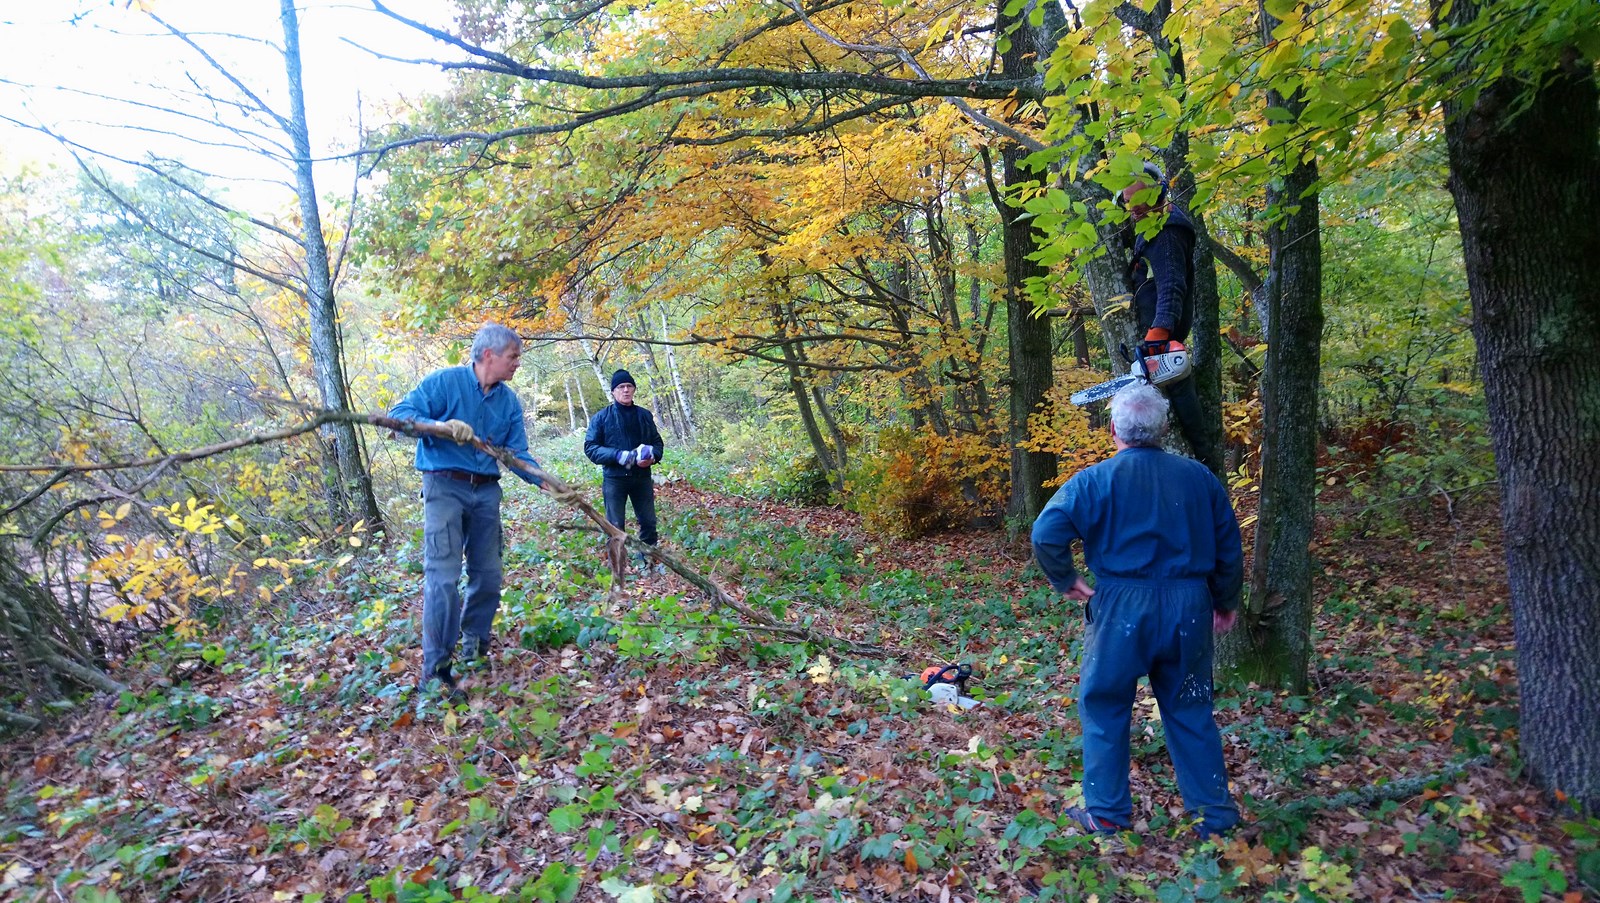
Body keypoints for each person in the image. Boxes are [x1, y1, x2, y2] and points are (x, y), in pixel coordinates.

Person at [1031, 382, 1244, 839]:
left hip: (1121, 609)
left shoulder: (1093, 481)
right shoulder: (1199, 478)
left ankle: (1107, 813)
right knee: (1190, 709)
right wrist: (1224, 601)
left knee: (1105, 704)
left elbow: (1046, 532)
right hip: (1189, 607)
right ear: (1164, 427)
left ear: (1113, 429)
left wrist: (1066, 580)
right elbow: (1229, 543)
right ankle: (1215, 820)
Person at [389, 323, 544, 700]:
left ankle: (474, 640)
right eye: (513, 357)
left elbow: (517, 454)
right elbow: (399, 418)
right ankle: (436, 669)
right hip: (444, 487)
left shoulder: (508, 402)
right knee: (443, 579)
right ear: (489, 355)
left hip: (486, 493)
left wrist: (546, 481)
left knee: (488, 575)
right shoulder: (444, 383)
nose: (517, 364)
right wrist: (441, 427)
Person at [1122, 163, 1221, 474]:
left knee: (1176, 384)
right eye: (1129, 207)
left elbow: (1172, 285)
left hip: (1163, 326)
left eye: (1140, 207)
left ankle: (1202, 456)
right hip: (1155, 320)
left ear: (1159, 197)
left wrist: (1159, 332)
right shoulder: (1151, 223)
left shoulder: (1166, 234)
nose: (1134, 213)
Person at [584, 369, 665, 561]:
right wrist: (618, 455)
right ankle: (618, 564)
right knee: (614, 524)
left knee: (648, 522)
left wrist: (652, 457)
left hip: (641, 478)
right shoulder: (602, 418)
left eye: (629, 386)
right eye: (621, 387)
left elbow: (657, 443)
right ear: (613, 391)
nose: (626, 390)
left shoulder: (644, 415)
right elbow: (590, 448)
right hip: (614, 479)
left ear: (634, 389)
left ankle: (648, 559)